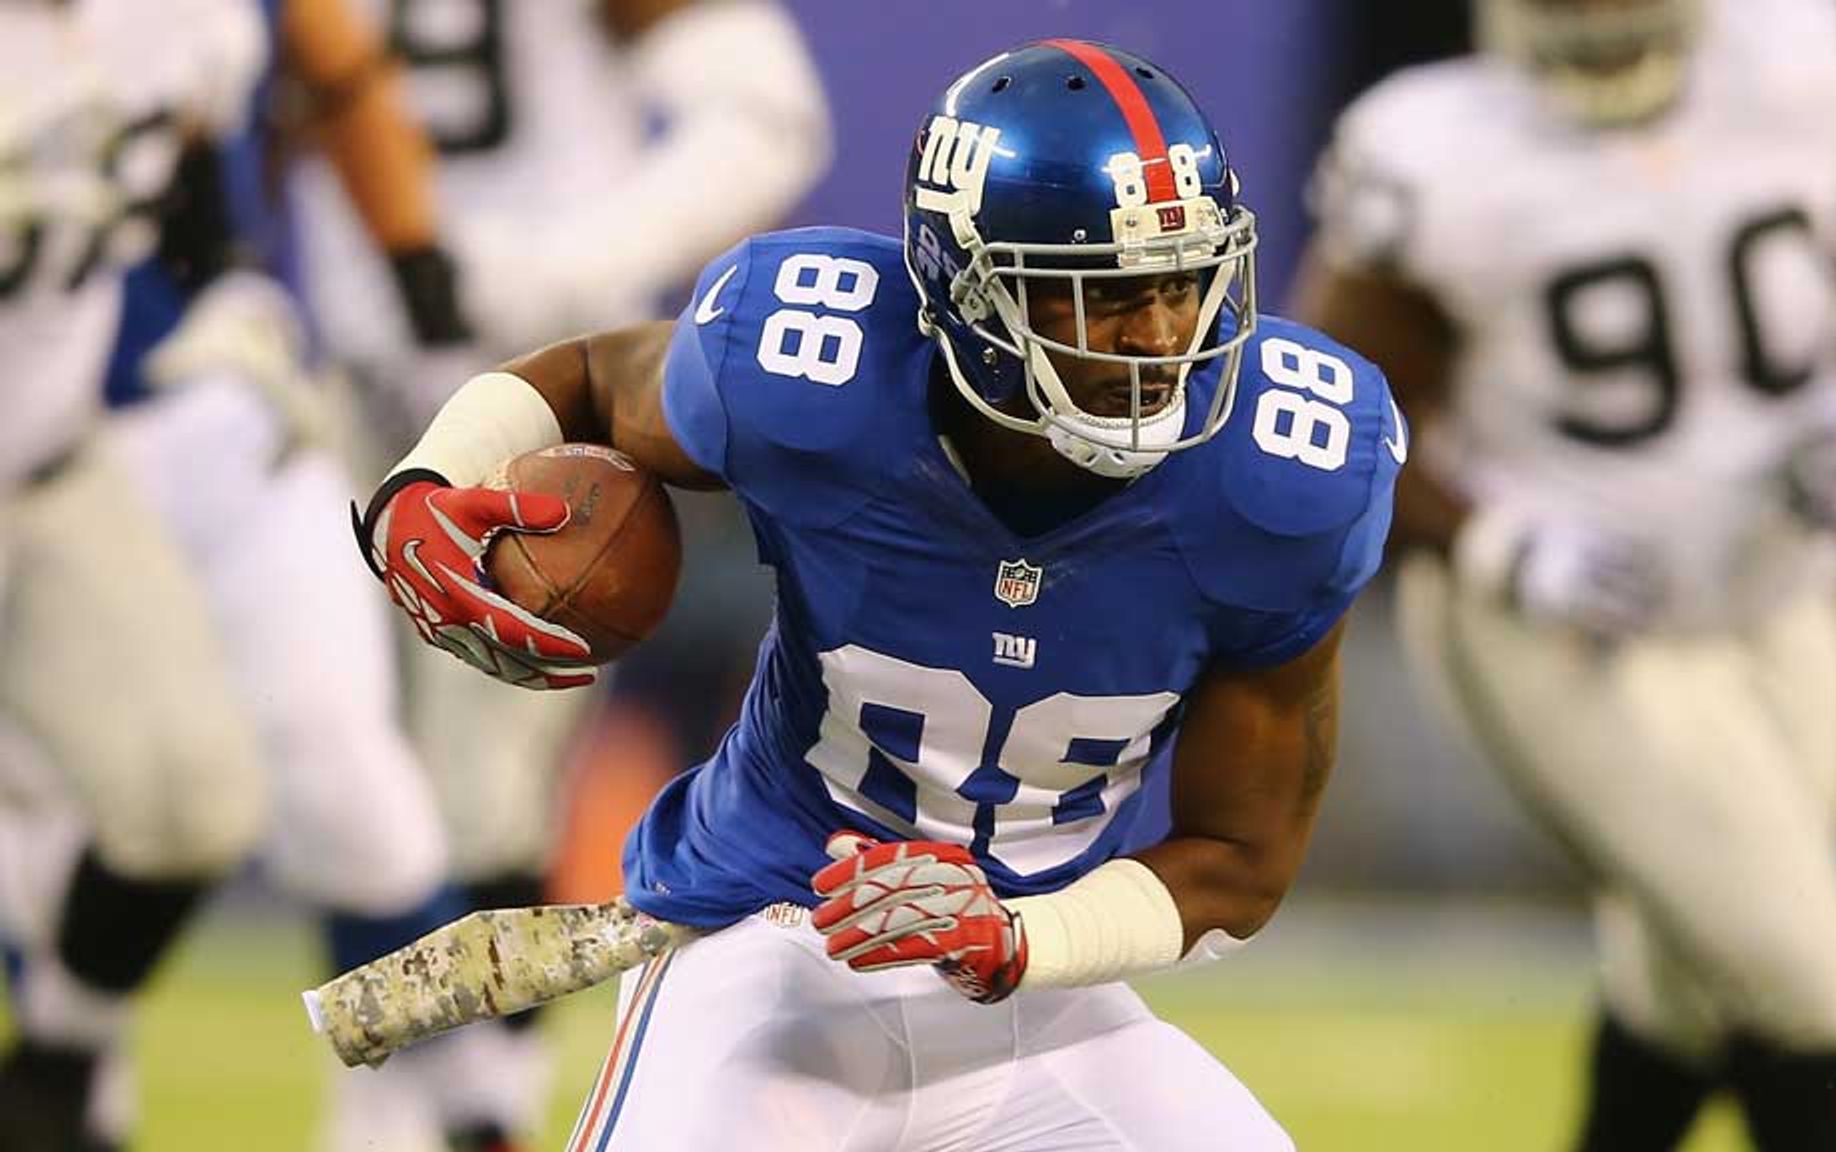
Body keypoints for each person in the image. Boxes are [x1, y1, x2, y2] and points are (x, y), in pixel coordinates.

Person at [352, 39, 1400, 1149]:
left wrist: (1015, 938)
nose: (1158, 340)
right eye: (1104, 298)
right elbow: (593, 381)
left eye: (1185, 284)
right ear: (969, 294)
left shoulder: (1284, 481)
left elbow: (1238, 862)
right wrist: (423, 482)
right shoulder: (817, 371)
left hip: (1036, 992)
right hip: (765, 948)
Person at [1292, 2, 1836, 1150]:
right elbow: (1334, 412)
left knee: (1686, 982)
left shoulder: (1798, 62)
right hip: (1566, 631)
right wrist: (1493, 542)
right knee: (1808, 968)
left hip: (1787, 591)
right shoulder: (1434, 148)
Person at [291, 2, 830, 1144]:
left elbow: (767, 117)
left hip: (531, 405)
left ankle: (468, 1110)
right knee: (333, 776)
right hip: (353, 382)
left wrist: (562, 268)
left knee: (478, 804)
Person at [0, 3, 272, 1150]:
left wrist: (228, 298)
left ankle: (57, 1070)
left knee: (192, 797)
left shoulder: (191, 22)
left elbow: (193, 173)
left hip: (52, 467)